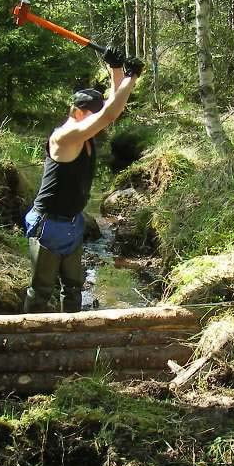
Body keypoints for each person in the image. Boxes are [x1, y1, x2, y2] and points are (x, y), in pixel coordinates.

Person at [24, 50, 144, 313]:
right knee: (42, 289)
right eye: (91, 115)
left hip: (72, 221)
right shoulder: (66, 136)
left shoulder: (85, 130)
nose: (96, 121)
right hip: (49, 223)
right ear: (77, 112)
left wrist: (115, 69)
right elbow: (109, 115)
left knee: (74, 287)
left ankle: (71, 333)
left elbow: (113, 109)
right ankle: (30, 339)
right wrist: (131, 77)